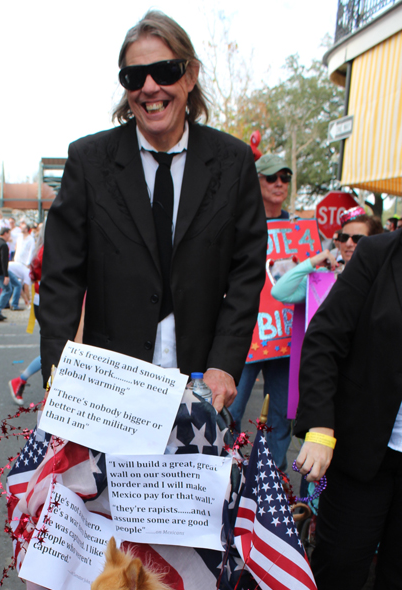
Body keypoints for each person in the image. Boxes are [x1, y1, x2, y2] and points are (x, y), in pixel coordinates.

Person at [37, 12, 267, 407]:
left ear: (190, 76)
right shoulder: (89, 160)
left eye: (164, 71)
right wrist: (59, 375)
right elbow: (62, 276)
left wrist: (225, 363)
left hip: (201, 383)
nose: (149, 87)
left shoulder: (233, 162)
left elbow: (246, 272)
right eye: (134, 77)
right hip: (110, 389)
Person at [295, 226, 402, 590]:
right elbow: (324, 340)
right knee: (340, 556)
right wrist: (321, 427)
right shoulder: (382, 253)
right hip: (366, 443)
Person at [226, 153, 294, 469]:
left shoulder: (300, 230)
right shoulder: (238, 224)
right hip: (246, 335)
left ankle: (273, 483)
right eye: (271, 177)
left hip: (285, 337)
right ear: (257, 181)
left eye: (285, 177)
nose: (279, 183)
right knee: (230, 410)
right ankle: (230, 474)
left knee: (281, 416)